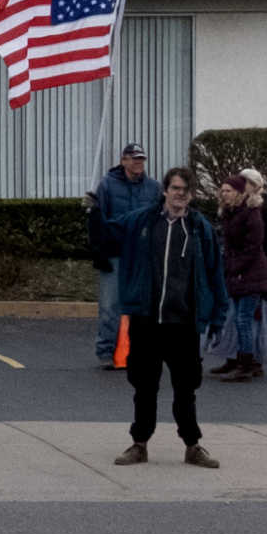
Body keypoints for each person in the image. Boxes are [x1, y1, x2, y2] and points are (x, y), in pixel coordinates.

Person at [106, 165, 227, 469]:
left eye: (185, 191)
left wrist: (218, 314)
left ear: (192, 195)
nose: (180, 196)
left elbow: (215, 274)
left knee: (186, 388)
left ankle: (192, 444)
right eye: (175, 189)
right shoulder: (143, 221)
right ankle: (139, 443)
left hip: (184, 322)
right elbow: (108, 233)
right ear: (165, 191)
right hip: (147, 320)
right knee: (144, 386)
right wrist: (94, 210)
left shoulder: (200, 229)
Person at [87, 143, 164, 367]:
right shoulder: (107, 185)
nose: (138, 162)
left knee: (143, 305)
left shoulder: (154, 188)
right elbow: (97, 220)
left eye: (141, 158)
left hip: (143, 255)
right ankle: (105, 351)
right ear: (123, 161)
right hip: (115, 253)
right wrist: (99, 251)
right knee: (110, 305)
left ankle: (140, 350)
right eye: (134, 158)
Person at [214, 171, 267, 383]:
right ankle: (239, 360)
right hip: (238, 275)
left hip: (251, 276)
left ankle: (246, 363)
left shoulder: (252, 214)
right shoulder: (232, 213)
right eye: (222, 190)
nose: (224, 194)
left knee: (244, 320)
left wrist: (235, 268)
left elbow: (253, 247)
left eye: (228, 191)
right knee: (237, 320)